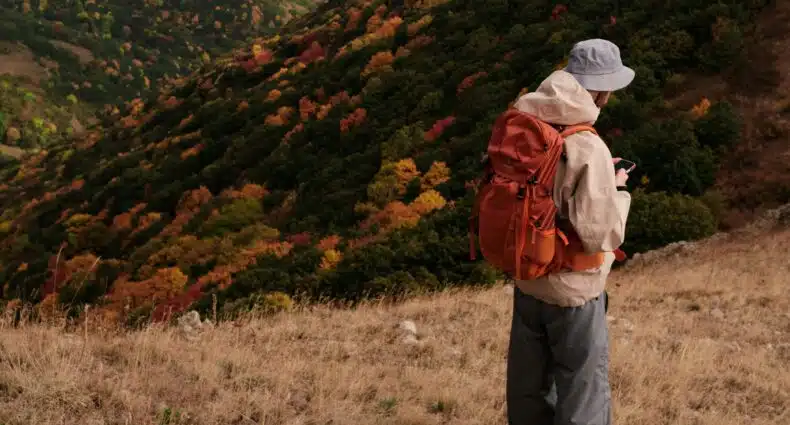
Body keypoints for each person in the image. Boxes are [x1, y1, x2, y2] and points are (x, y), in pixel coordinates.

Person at [505, 39, 634, 425]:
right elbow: (602, 234)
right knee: (583, 392)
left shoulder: (525, 123)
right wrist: (619, 189)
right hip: (573, 288)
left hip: (528, 277)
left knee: (529, 389)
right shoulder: (586, 145)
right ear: (603, 89)